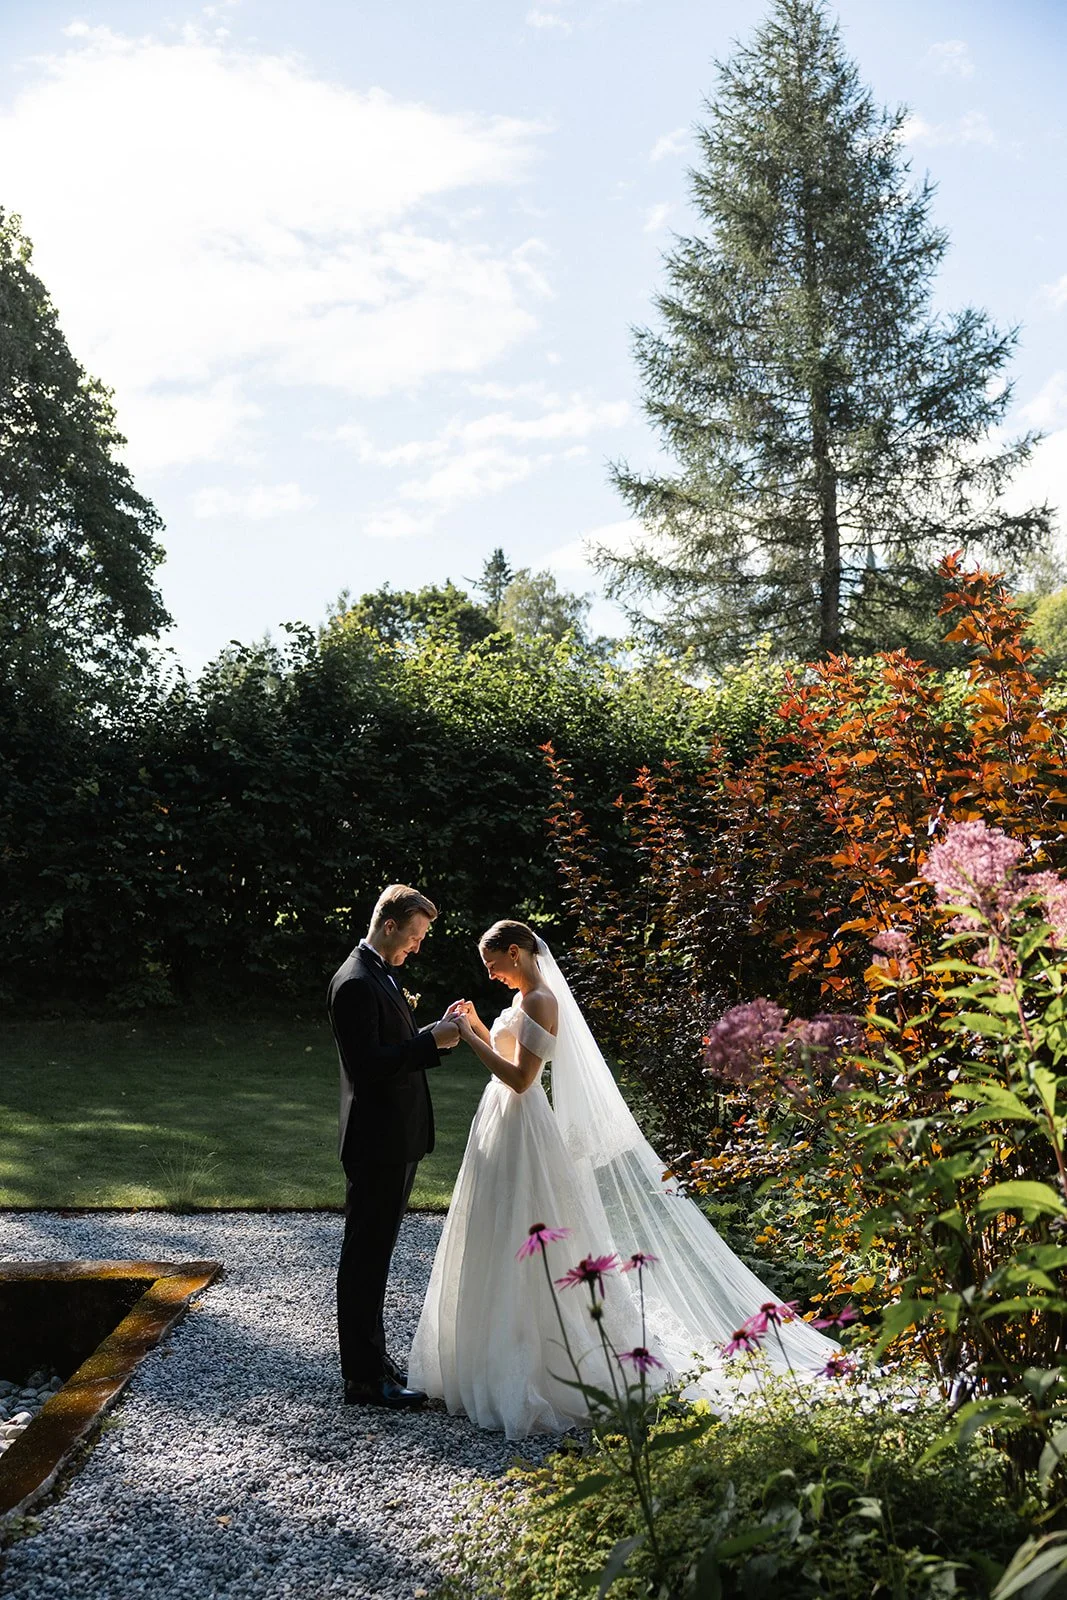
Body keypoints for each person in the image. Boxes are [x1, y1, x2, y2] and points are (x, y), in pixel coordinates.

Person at [408, 919, 838, 1439]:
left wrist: (471, 1040)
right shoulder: (523, 999)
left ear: (517, 953)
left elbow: (522, 1079)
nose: (491, 975)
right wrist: (477, 1025)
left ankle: (545, 1360)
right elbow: (507, 1061)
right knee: (494, 1229)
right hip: (499, 1125)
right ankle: (486, 1354)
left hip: (523, 1125)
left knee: (529, 1227)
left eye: (493, 964)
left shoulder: (542, 1000)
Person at [328, 884, 459, 1409]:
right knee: (365, 1258)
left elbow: (388, 1048)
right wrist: (432, 1043)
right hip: (377, 1140)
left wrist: (432, 1030)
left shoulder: (378, 972)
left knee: (374, 1255)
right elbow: (369, 1067)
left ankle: (371, 1359)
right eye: (415, 935)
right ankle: (363, 1379)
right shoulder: (356, 982)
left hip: (393, 1138)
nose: (418, 946)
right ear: (389, 927)